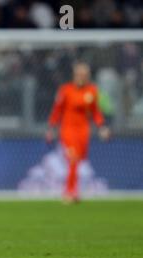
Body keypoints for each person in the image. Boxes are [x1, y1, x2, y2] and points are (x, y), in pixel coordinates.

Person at [46, 62, 110, 203]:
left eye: (85, 75)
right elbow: (57, 111)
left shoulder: (92, 91)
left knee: (78, 161)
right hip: (68, 130)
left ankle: (73, 191)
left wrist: (102, 127)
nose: (82, 77)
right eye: (79, 74)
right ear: (74, 75)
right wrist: (51, 128)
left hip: (83, 131)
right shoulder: (65, 90)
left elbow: (96, 112)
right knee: (73, 160)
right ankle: (69, 192)